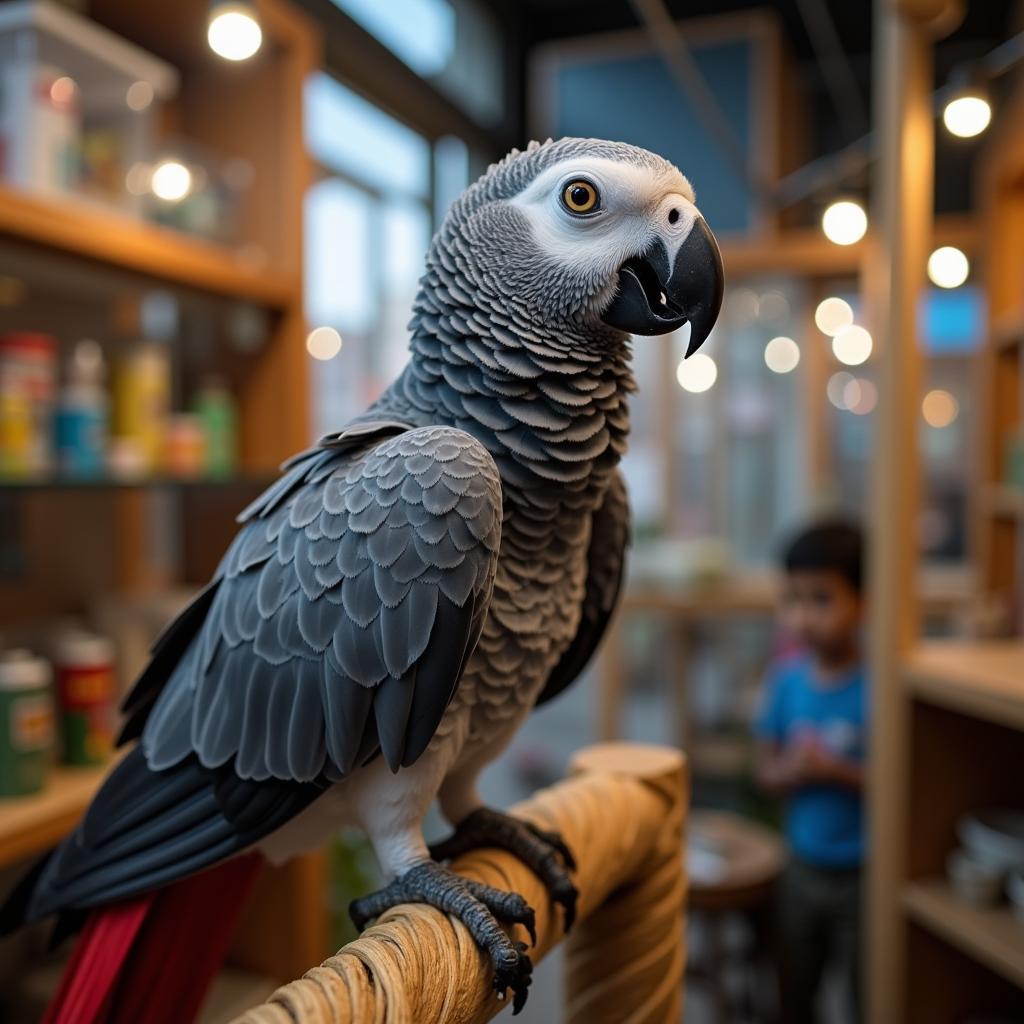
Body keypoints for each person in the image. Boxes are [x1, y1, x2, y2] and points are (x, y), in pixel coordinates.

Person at [754, 519, 867, 1024]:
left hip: (865, 872)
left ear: (864, 601)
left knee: (868, 990)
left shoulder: (877, 686)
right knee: (795, 990)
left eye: (821, 599)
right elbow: (765, 773)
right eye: (793, 599)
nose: (802, 617)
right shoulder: (787, 681)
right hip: (800, 864)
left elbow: (902, 788)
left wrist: (836, 771)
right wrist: (790, 770)